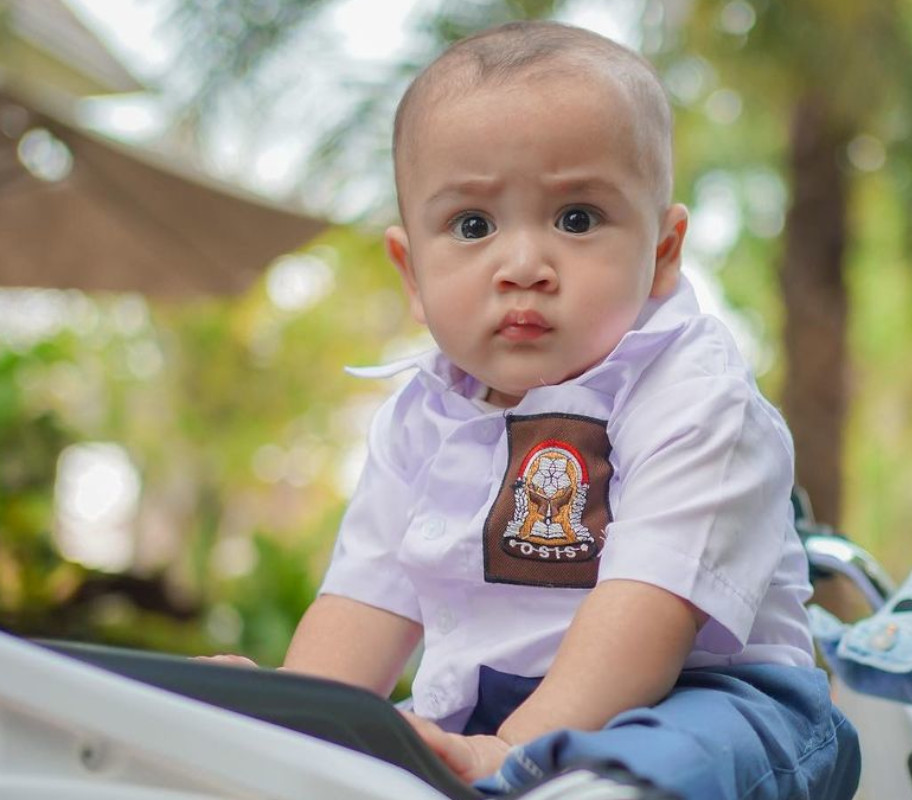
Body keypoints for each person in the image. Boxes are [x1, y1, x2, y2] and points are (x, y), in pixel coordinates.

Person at [217, 20, 859, 800]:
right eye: (473, 226)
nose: (523, 266)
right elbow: (365, 601)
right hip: (495, 712)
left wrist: (516, 749)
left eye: (577, 218)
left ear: (661, 252)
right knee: (383, 753)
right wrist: (298, 716)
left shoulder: (691, 392)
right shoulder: (420, 416)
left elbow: (650, 611)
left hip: (711, 705)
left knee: (653, 765)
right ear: (411, 272)